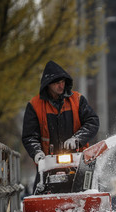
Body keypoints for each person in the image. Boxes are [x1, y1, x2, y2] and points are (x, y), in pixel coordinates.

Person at [22, 60, 99, 193]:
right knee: (39, 197)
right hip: (47, 164)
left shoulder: (77, 100)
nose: (61, 85)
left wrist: (77, 139)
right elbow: (29, 136)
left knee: (87, 192)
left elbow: (92, 121)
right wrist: (37, 153)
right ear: (48, 84)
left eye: (63, 82)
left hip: (78, 161)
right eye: (57, 83)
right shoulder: (34, 106)